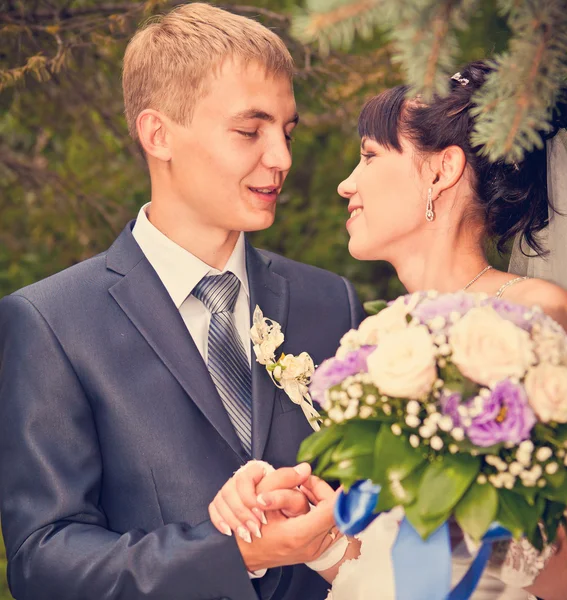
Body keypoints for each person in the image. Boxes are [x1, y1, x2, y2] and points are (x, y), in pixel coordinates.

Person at [0, 4, 364, 599]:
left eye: (287, 131)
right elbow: (41, 561)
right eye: (250, 131)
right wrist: (232, 551)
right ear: (158, 134)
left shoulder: (332, 304)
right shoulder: (51, 323)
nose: (281, 158)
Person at [212, 61, 567, 599]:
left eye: (370, 155)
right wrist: (321, 534)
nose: (347, 183)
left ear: (441, 171)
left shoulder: (539, 319)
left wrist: (477, 525)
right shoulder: (384, 343)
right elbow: (387, 568)